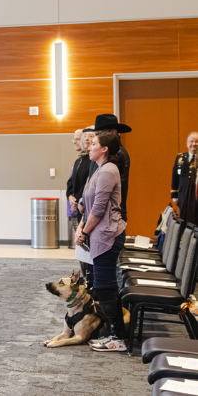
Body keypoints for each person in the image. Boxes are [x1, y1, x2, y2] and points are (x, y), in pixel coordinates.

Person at [75, 130, 128, 352]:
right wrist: (81, 227)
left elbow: (97, 210)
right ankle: (114, 334)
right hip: (98, 233)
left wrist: (84, 232)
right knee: (103, 286)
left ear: (104, 149)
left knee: (106, 288)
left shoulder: (108, 171)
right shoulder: (97, 169)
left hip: (107, 234)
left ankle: (117, 337)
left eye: (94, 143)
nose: (89, 145)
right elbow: (86, 205)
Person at [88, 114, 131, 221]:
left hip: (109, 217)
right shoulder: (101, 155)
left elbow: (105, 192)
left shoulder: (119, 154)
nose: (97, 137)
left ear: (112, 133)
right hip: (100, 216)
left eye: (100, 134)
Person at [68, 128, 93, 288]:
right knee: (80, 247)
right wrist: (70, 196)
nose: (85, 140)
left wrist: (80, 201)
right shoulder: (79, 160)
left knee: (85, 245)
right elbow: (70, 183)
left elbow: (88, 185)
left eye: (90, 137)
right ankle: (85, 278)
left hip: (85, 207)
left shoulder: (91, 161)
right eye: (84, 138)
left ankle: (90, 281)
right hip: (76, 204)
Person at [171, 132, 198, 209]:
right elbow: (175, 177)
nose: (194, 144)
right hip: (183, 195)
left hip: (197, 194)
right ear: (187, 143)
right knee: (184, 219)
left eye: (196, 141)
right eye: (191, 141)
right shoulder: (180, 158)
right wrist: (174, 194)